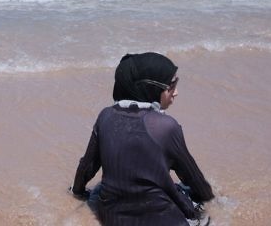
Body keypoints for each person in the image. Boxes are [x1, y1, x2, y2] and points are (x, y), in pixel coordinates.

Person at [71, 52, 214, 225]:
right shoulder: (165, 126)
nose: (176, 92)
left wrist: (78, 193)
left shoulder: (105, 117)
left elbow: (87, 167)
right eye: (171, 86)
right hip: (163, 219)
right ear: (151, 89)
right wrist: (212, 199)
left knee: (100, 189)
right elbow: (192, 177)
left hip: (111, 218)